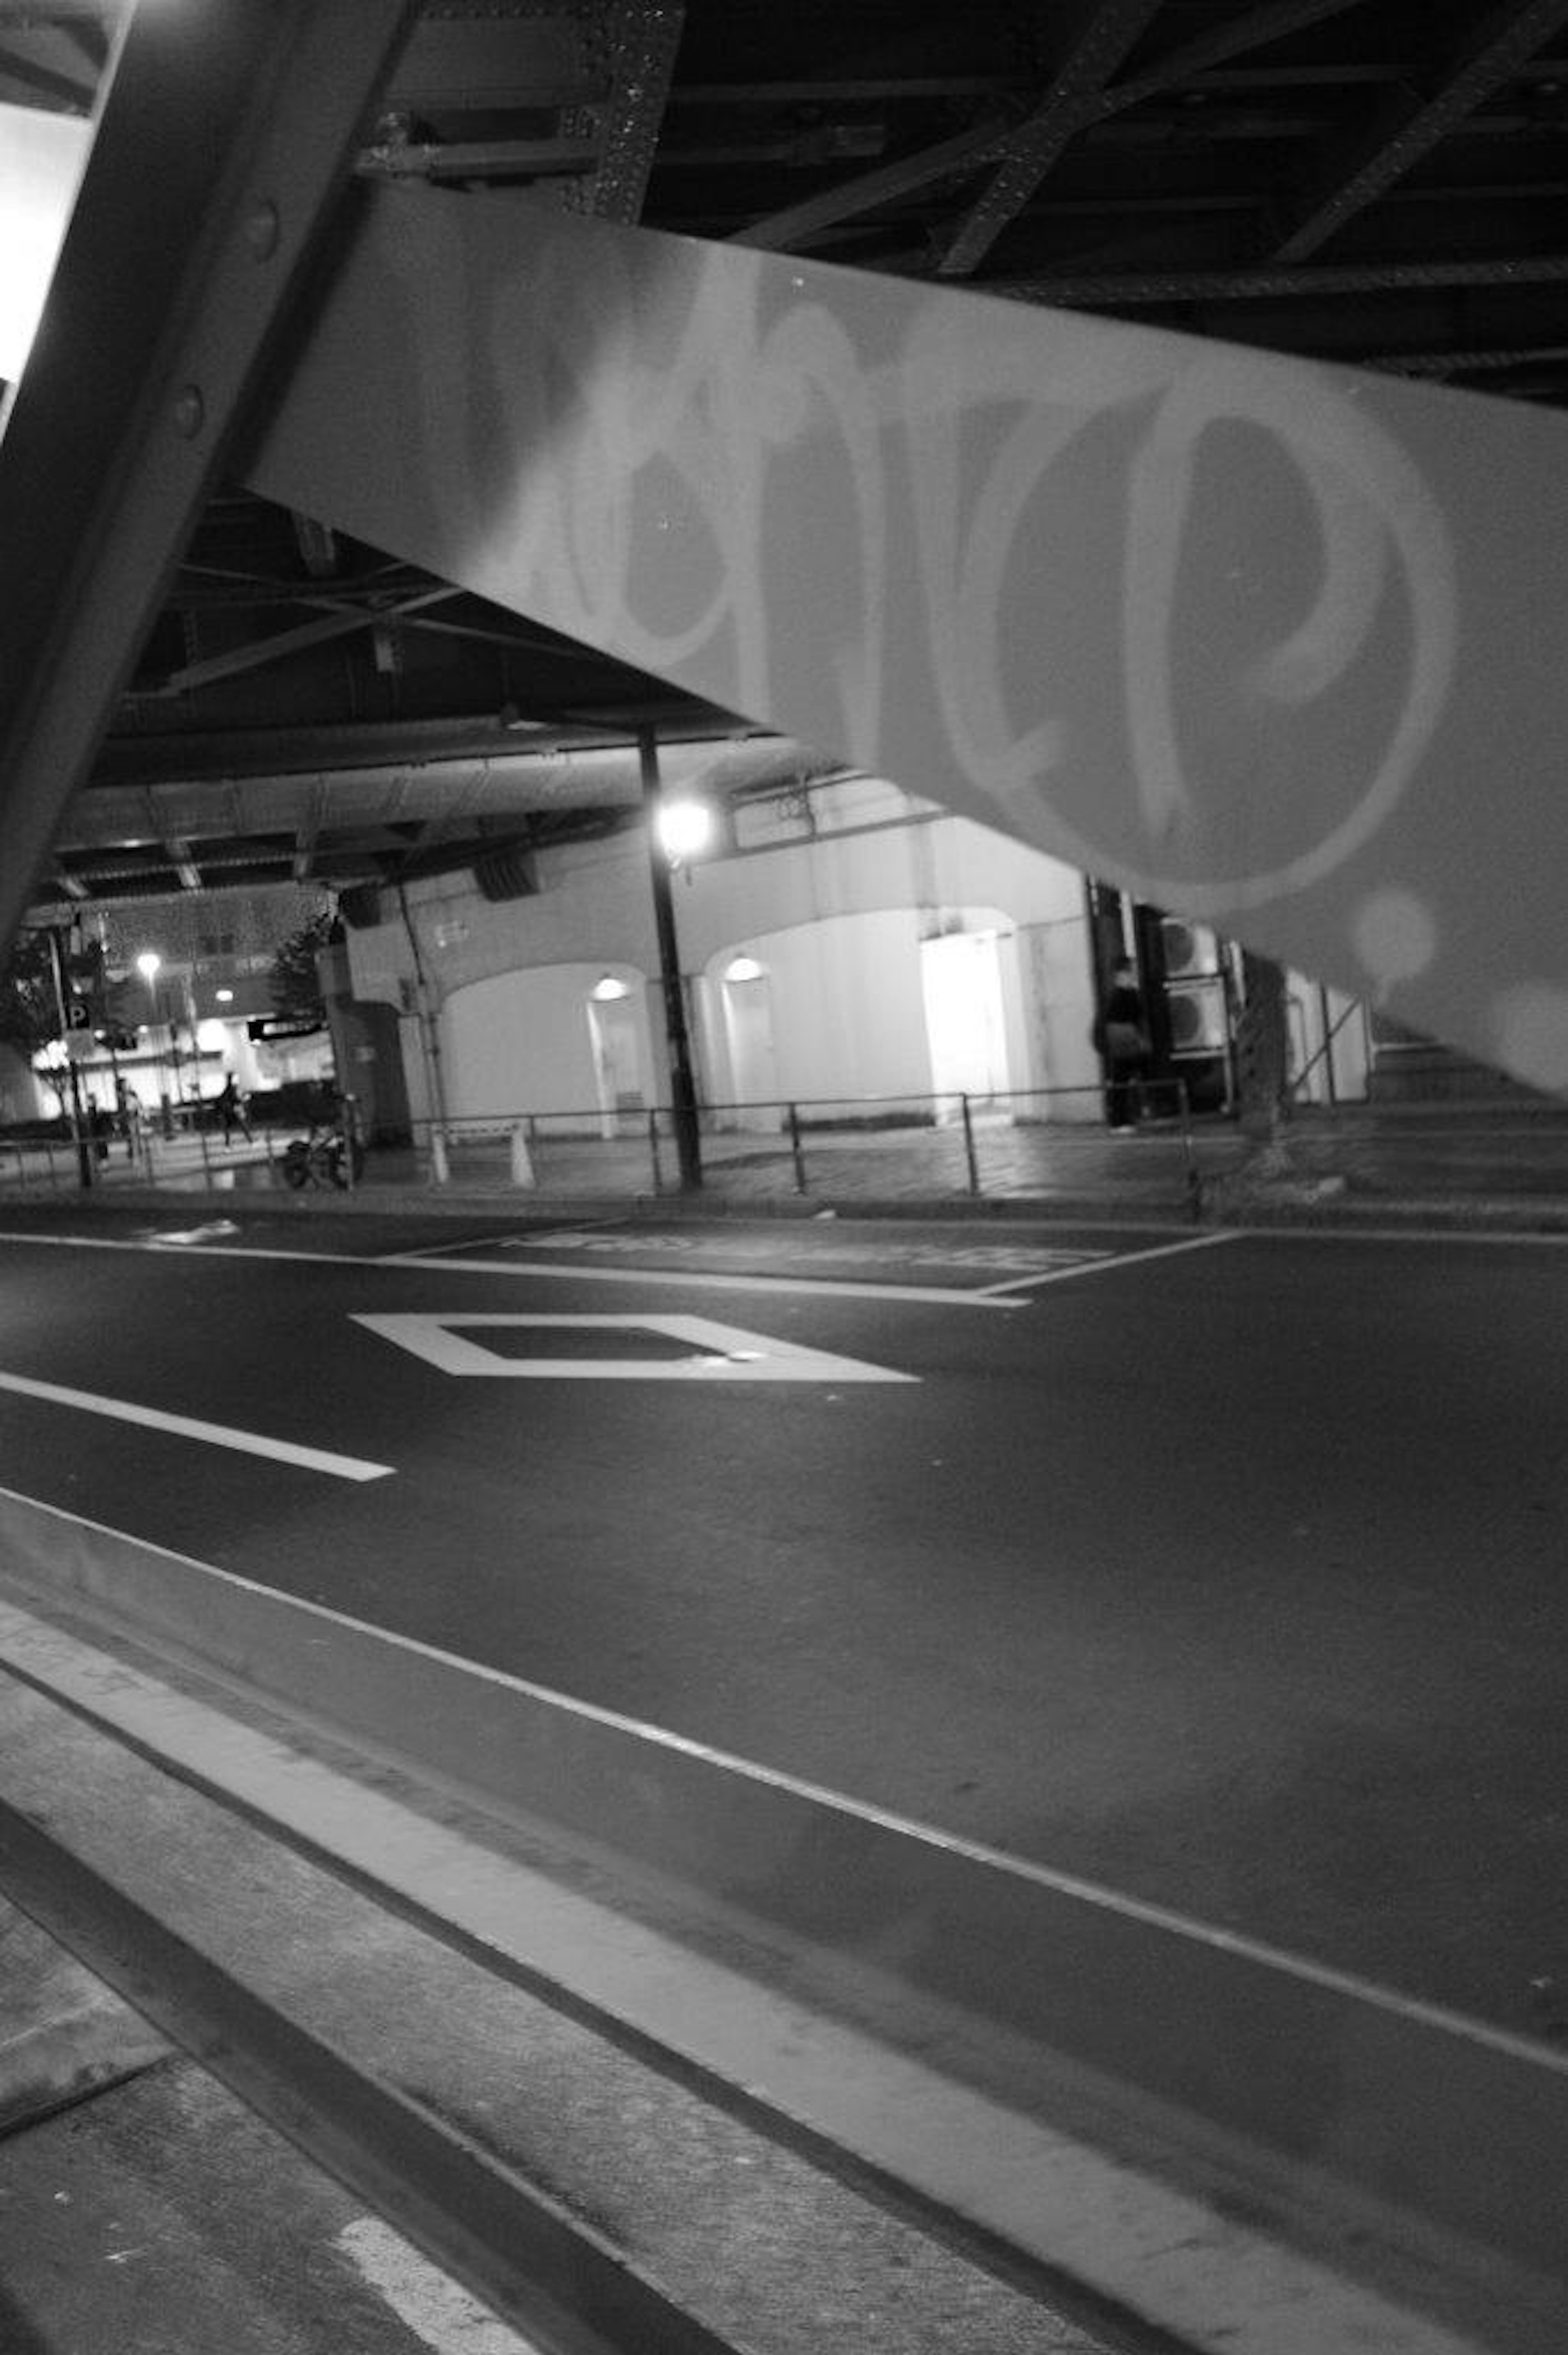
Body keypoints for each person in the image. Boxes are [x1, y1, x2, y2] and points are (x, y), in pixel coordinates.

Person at [1095, 956, 1150, 1132]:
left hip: (1127, 1041)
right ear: (1120, 974)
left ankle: (1126, 1117)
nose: (1133, 974)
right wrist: (1138, 1039)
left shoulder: (1129, 994)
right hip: (1123, 1043)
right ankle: (1119, 1121)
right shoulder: (1119, 996)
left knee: (1125, 1080)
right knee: (1121, 1080)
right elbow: (1119, 1024)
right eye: (1129, 971)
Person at [215, 1074, 250, 1145]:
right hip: (232, 1110)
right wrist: (243, 1099)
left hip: (228, 1110)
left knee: (228, 1128)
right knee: (242, 1125)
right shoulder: (232, 1089)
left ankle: (228, 1145)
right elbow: (236, 1099)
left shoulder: (229, 1089)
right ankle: (251, 1142)